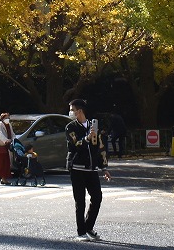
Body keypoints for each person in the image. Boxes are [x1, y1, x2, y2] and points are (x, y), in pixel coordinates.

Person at [66, 98, 110, 242]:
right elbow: (76, 144)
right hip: (77, 167)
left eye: (72, 110)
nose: (70, 112)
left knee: (97, 197)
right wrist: (87, 138)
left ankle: (88, 227)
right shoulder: (70, 127)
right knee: (80, 201)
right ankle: (81, 232)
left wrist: (104, 167)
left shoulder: (93, 126)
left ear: (79, 111)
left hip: (91, 168)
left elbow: (101, 147)